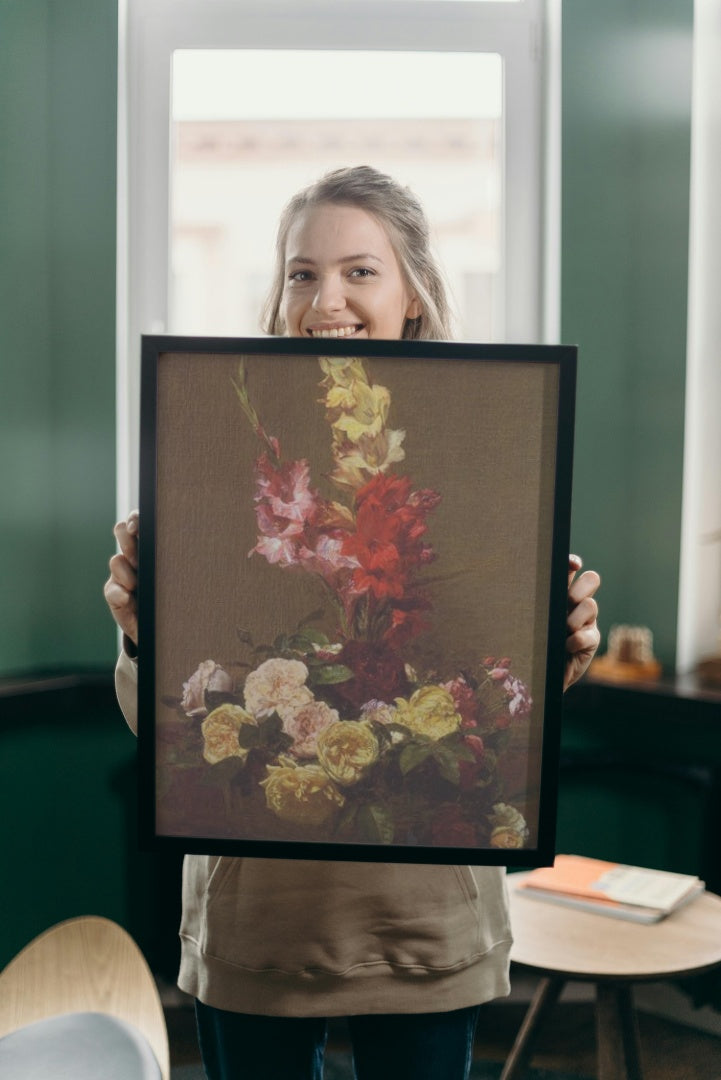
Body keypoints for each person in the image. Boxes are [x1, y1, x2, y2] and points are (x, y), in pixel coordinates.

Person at [105, 166, 601, 1080]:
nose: (324, 298)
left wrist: (557, 647)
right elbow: (168, 729)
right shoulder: (212, 454)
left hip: (423, 920)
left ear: (412, 292)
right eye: (301, 272)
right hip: (258, 920)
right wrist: (144, 635)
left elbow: (500, 715)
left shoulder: (486, 453)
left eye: (358, 271)